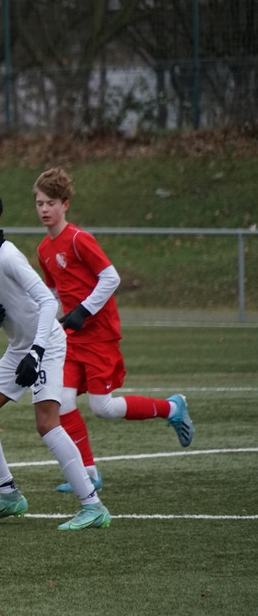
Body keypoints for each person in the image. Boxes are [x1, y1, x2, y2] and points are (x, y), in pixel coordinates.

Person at [33, 167, 194, 493]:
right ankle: (88, 473)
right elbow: (52, 294)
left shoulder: (78, 239)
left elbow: (110, 277)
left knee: (102, 407)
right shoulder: (43, 250)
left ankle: (172, 408)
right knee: (62, 401)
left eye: (51, 203)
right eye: (39, 203)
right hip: (71, 338)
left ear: (65, 204)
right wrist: (43, 323)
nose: (45, 209)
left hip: (100, 334)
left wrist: (83, 310)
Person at [0, 186, 110, 530]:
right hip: (19, 348)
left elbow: (47, 302)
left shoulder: (9, 256)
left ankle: (93, 506)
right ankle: (8, 496)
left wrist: (37, 351)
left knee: (47, 423)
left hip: (47, 345)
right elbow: (3, 309)